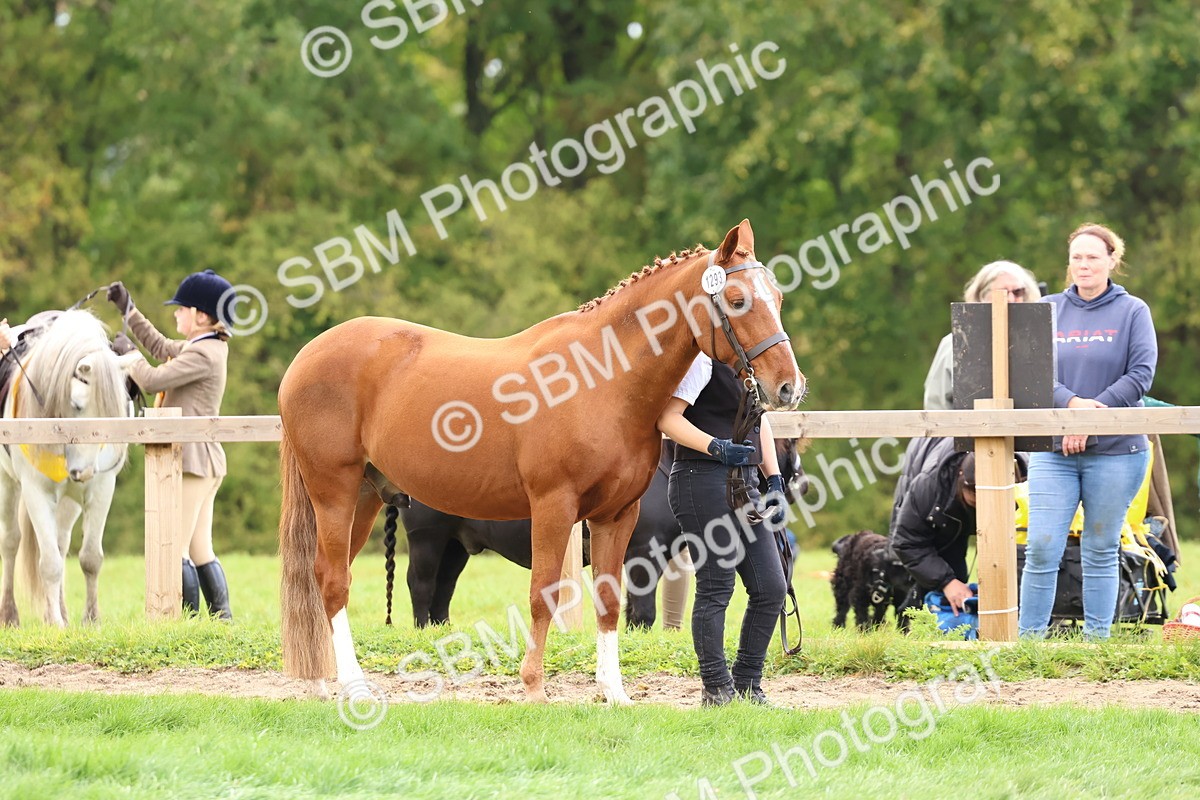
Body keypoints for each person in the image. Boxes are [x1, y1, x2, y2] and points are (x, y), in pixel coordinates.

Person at [1018, 223, 1157, 640]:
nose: (1083, 265)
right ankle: (1029, 644)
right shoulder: (1047, 308)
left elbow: (1141, 374)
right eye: (1076, 257)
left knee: (1100, 549)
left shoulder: (1133, 311)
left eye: (1093, 257)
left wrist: (1091, 419)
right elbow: (1033, 373)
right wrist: (1072, 408)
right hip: (1053, 451)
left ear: (1112, 259)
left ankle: (1098, 646)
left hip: (1116, 451)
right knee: (1041, 548)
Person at [656, 352, 788, 706]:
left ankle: (747, 685)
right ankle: (716, 689)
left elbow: (760, 421)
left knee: (771, 587)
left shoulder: (752, 364)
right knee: (717, 587)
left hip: (744, 483)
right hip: (700, 479)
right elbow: (668, 419)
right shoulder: (700, 362)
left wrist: (773, 477)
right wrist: (715, 447)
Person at [108, 270, 235, 620]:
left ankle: (189, 621)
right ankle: (221, 619)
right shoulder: (204, 346)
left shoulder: (203, 355)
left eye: (182, 308)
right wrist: (130, 311)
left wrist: (131, 356)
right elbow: (162, 348)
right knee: (199, 548)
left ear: (202, 316)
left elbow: (150, 379)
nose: (176, 313)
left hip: (192, 459)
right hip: (203, 460)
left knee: (176, 548)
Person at [924, 261, 1041, 410]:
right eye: (1003, 292)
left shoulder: (1040, 341)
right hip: (966, 430)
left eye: (1017, 292)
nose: (1011, 299)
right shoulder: (954, 343)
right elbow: (937, 403)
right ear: (982, 296)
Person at [889, 438, 978, 615]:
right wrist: (947, 582)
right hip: (931, 462)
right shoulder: (928, 485)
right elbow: (906, 542)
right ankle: (909, 620)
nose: (983, 503)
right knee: (937, 580)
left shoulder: (1026, 478)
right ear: (961, 478)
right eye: (975, 495)